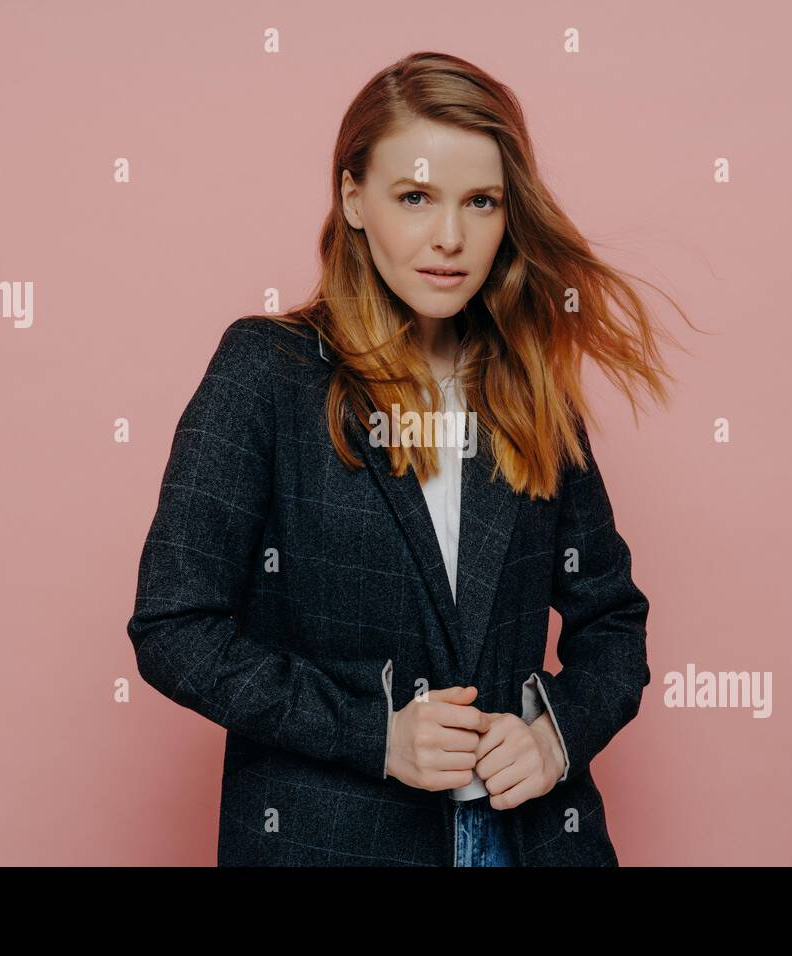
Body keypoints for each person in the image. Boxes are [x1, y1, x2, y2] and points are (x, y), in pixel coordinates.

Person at [125, 50, 697, 867]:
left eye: (481, 202)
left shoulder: (529, 385)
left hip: (530, 841)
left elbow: (614, 623)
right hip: (335, 841)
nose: (452, 238)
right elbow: (172, 627)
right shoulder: (269, 372)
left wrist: (553, 739)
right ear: (354, 198)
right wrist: (374, 735)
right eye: (416, 198)